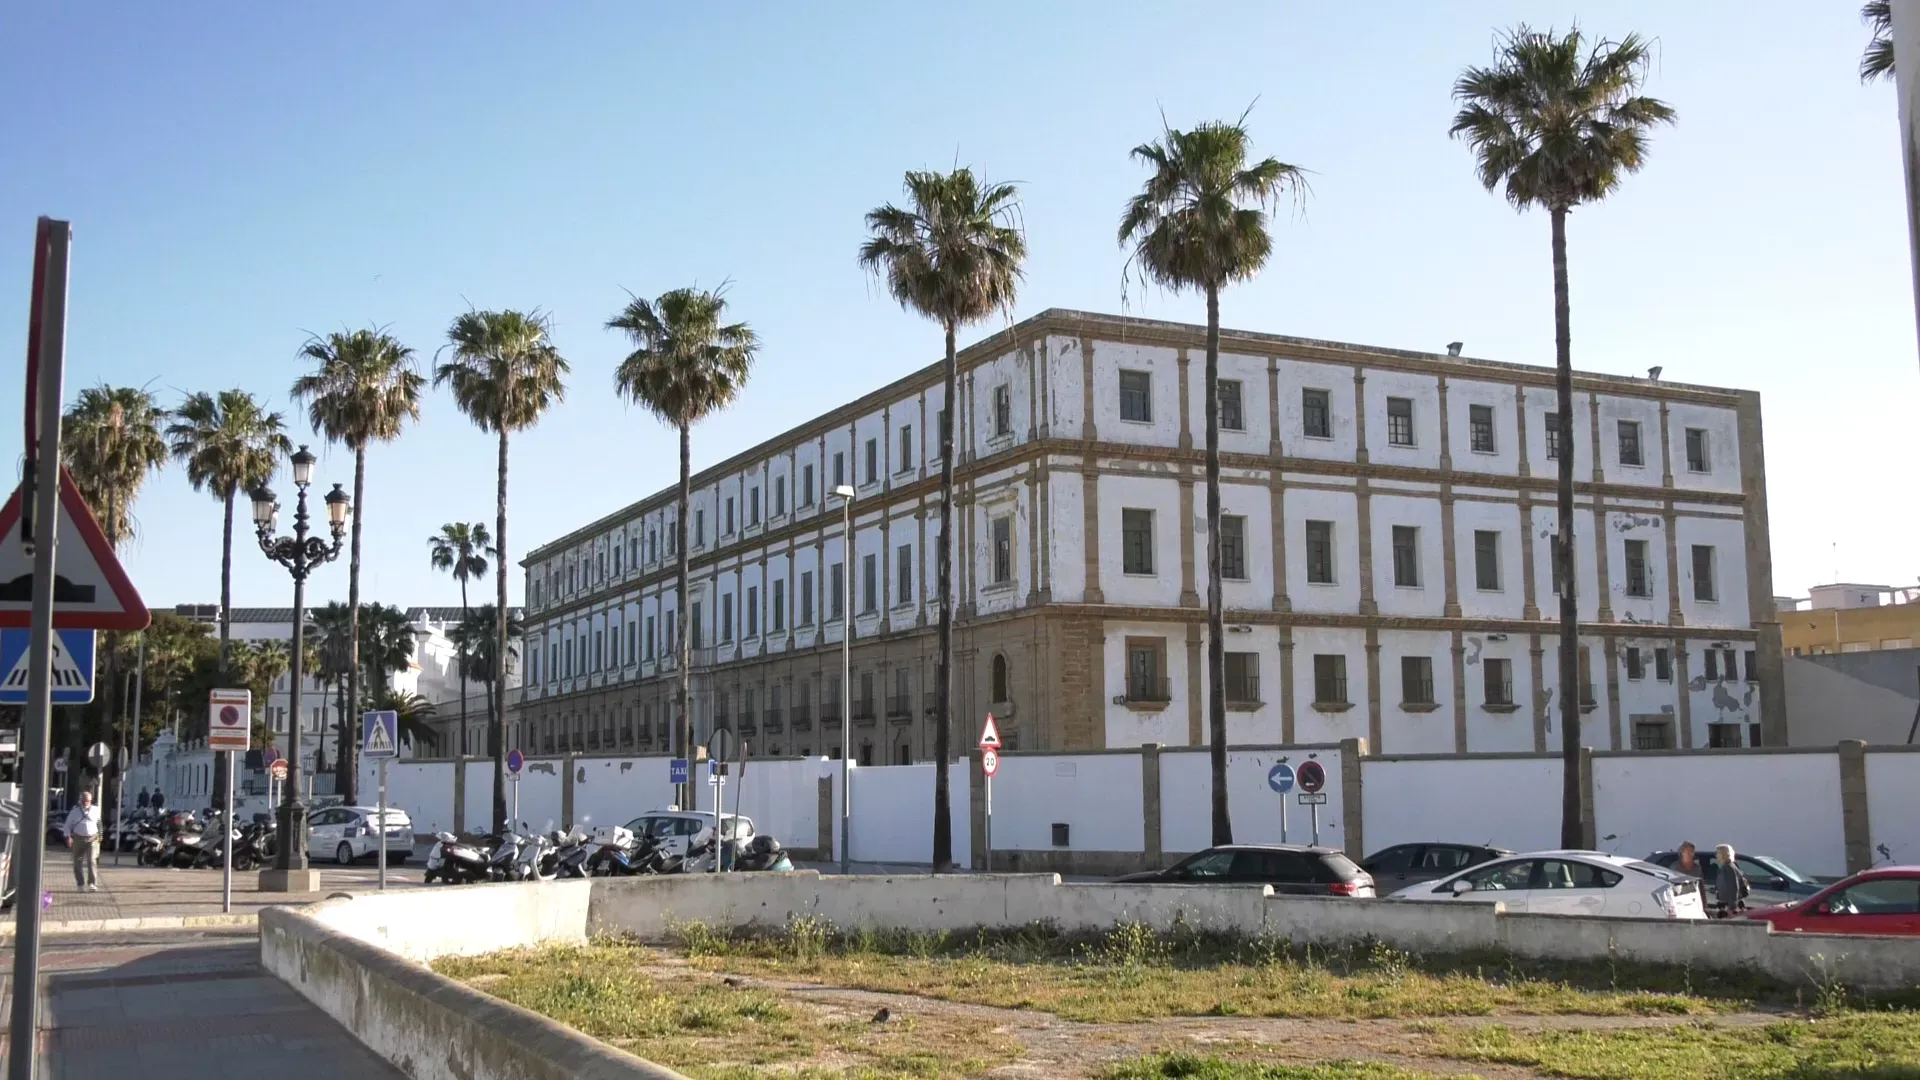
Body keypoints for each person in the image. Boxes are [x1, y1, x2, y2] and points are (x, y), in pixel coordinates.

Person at [64, 790, 101, 893]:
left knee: (91, 860)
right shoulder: (74, 812)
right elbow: (67, 825)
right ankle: (80, 884)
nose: (86, 803)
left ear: (91, 801)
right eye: (84, 801)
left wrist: (100, 837)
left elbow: (99, 823)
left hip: (92, 839)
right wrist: (68, 837)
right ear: (80, 801)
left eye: (88, 801)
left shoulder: (95, 810)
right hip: (79, 839)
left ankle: (92, 883)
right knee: (78, 861)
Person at [1711, 843, 1749, 917]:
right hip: (1726, 904)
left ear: (1724, 854)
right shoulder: (1728, 866)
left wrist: (1731, 907)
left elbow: (1734, 887)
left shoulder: (1728, 868)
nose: (1716, 855)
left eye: (1718, 853)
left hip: (1728, 905)